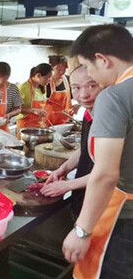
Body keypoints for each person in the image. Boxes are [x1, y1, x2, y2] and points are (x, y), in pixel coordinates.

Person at [61, 24, 133, 279]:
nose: (89, 75)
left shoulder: (113, 96)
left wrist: (82, 230)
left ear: (102, 60)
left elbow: (105, 175)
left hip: (122, 219)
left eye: (89, 67)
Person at [40, 58, 102, 217]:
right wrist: (64, 168)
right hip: (83, 195)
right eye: (76, 87)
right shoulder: (89, 115)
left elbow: (108, 174)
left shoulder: (111, 121)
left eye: (91, 86)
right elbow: (86, 148)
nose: (84, 95)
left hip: (102, 203)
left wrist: (67, 186)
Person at [17, 63, 53, 138]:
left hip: (40, 126)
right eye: (47, 78)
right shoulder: (23, 88)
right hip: (25, 128)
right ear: (38, 76)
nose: (49, 81)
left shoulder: (43, 87)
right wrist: (33, 110)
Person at [44, 55, 73, 125]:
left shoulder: (69, 80)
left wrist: (78, 105)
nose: (62, 72)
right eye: (58, 69)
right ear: (51, 68)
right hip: (48, 121)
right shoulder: (45, 82)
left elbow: (76, 97)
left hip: (66, 120)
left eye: (64, 69)